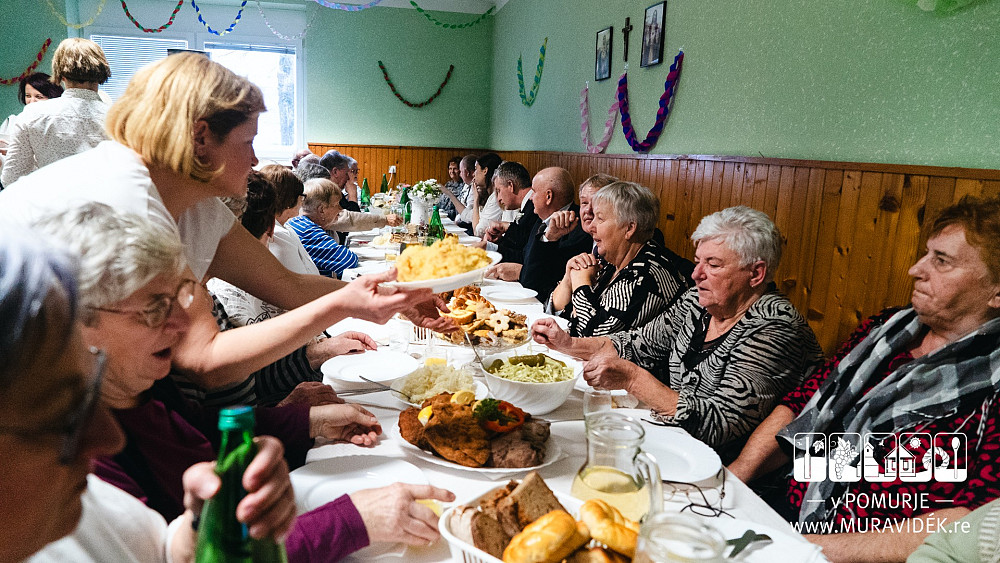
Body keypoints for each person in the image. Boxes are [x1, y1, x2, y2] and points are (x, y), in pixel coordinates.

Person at [30, 205, 455, 562]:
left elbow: (197, 430)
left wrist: (305, 422)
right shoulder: (77, 460)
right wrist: (355, 519)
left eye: (181, 298)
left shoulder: (140, 387)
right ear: (75, 320)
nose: (181, 325)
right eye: (154, 308)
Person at [0, 52, 451, 333]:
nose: (255, 159)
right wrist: (349, 305)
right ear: (200, 138)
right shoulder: (127, 205)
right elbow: (203, 360)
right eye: (247, 142)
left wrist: (389, 296)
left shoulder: (192, 201)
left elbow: (287, 284)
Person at [728, 196, 1000, 562]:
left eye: (941, 260)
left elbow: (973, 521)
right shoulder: (885, 328)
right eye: (926, 254)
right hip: (785, 512)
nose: (915, 270)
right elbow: (802, 403)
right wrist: (732, 480)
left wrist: (804, 548)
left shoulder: (993, 386)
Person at [0, 226, 295, 563]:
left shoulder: (88, 500)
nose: (110, 437)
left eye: (88, 392)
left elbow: (158, 548)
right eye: (61, 417)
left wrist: (204, 523)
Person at [533, 206, 822, 461]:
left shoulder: (775, 327)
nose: (696, 274)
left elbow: (720, 424)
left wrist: (633, 379)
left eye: (713, 265)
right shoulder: (697, 302)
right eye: (698, 261)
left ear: (756, 274)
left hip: (727, 471)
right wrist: (568, 343)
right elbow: (637, 343)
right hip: (677, 444)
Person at [548, 181, 692, 337]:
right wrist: (568, 278)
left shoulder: (645, 275)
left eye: (600, 219)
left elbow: (596, 337)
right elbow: (561, 315)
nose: (591, 226)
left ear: (629, 228)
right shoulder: (610, 263)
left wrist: (581, 283)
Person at [1, 39, 111, 185]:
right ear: (101, 73)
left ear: (61, 75)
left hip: (49, 196)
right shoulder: (121, 119)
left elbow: (12, 179)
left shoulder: (32, 115)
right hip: (104, 198)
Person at [488, 166, 594, 301]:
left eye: (534, 192)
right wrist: (489, 248)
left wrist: (521, 273)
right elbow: (524, 255)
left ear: (548, 196)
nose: (531, 198)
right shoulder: (541, 220)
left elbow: (546, 279)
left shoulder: (578, 228)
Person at [287, 178, 360, 278]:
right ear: (322, 210)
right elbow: (348, 261)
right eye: (336, 205)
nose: (340, 209)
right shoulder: (308, 232)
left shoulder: (300, 223)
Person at [260, 163, 321, 276]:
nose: (302, 200)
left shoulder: (285, 227)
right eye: (301, 196)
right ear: (289, 200)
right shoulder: (277, 234)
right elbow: (301, 280)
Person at [0, 72, 64, 141]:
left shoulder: (60, 123)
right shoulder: (12, 122)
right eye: (28, 96)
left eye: (39, 97)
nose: (32, 101)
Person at [471, 152, 506, 237]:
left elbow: (478, 232)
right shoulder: (490, 195)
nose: (473, 174)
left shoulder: (496, 198)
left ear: (485, 171)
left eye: (476, 169)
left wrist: (476, 200)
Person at [453, 153, 479, 232]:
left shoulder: (476, 188)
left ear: (467, 172)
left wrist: (448, 193)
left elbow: (468, 213)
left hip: (469, 227)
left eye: (461, 171)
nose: (460, 175)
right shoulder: (466, 184)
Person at [438, 155, 466, 220]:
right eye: (450, 168)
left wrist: (443, 213)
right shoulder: (448, 184)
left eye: (455, 169)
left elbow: (457, 210)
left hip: (453, 219)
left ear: (460, 170)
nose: (452, 171)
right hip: (442, 216)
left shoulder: (464, 186)